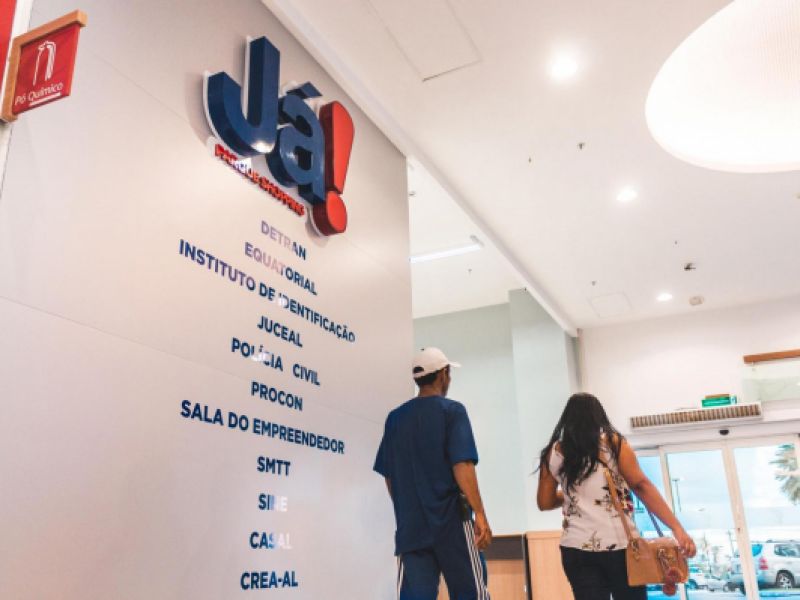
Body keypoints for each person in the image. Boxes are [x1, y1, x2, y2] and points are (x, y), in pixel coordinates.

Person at [537, 393, 696, 600]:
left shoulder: (553, 453)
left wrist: (573, 496)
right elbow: (641, 486)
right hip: (622, 546)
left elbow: (545, 502)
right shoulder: (613, 445)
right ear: (599, 417)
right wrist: (676, 527)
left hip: (576, 548)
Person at [374, 347, 492, 600]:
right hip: (452, 524)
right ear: (443, 374)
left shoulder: (395, 419)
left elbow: (389, 475)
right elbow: (463, 465)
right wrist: (480, 514)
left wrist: (407, 509)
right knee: (470, 594)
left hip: (411, 528)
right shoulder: (453, 411)